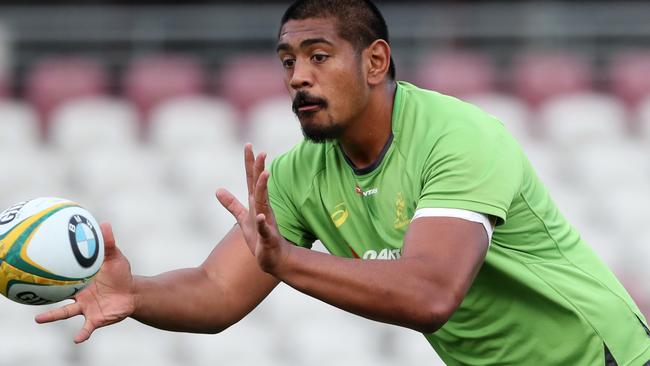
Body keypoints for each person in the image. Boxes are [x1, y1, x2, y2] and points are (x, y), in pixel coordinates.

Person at [37, 0, 650, 365]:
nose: (298, 77)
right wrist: (136, 294)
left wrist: (286, 261)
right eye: (287, 61)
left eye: (318, 56)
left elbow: (431, 296)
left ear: (375, 61)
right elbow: (215, 292)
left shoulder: (458, 136)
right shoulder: (302, 171)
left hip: (599, 357)